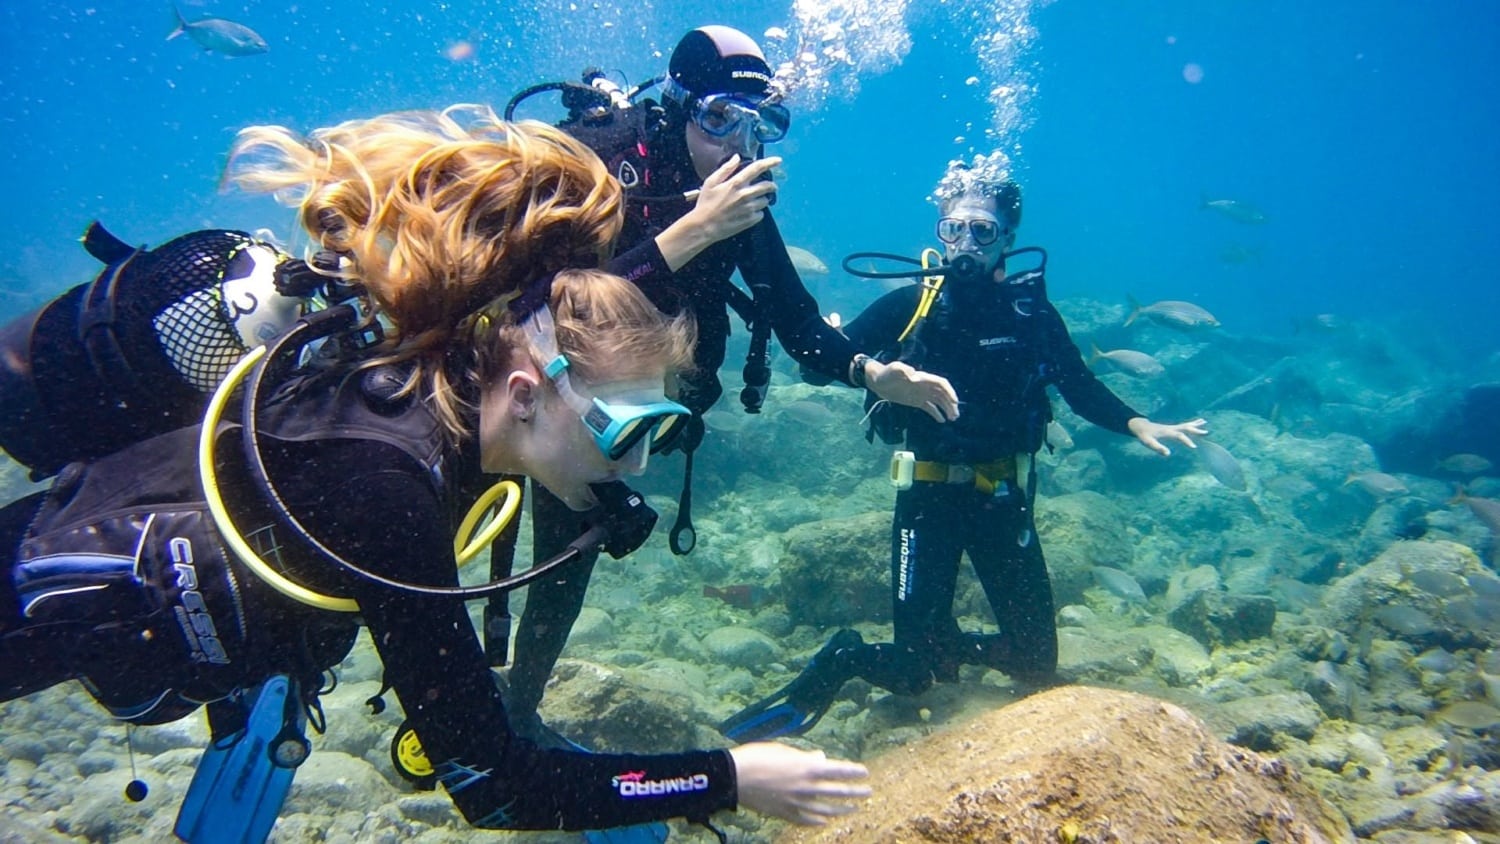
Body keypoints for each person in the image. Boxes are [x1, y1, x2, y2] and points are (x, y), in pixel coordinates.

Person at [0, 108, 869, 837]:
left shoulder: (463, 371)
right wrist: (726, 776)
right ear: (526, 394)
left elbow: (558, 299)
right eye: (628, 429)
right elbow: (494, 784)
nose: (636, 466)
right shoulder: (389, 486)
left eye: (662, 429)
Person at [503, 24, 959, 732]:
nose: (738, 146)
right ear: (679, 106)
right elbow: (533, 310)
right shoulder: (601, 168)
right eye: (719, 119)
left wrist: (870, 372)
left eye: (759, 126)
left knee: (566, 563)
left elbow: (799, 322)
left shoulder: (739, 203)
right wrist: (693, 232)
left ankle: (515, 716)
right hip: (527, 398)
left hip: (617, 413)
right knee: (469, 529)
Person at [720, 154, 1209, 742]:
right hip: (927, 500)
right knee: (915, 672)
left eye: (983, 230)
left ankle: (942, 641)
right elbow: (825, 371)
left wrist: (1136, 423)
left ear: (1007, 239)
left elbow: (1078, 385)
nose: (966, 243)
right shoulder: (911, 306)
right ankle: (848, 657)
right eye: (954, 228)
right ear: (939, 233)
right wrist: (830, 342)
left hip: (1004, 498)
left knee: (1035, 663)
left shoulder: (1031, 314)